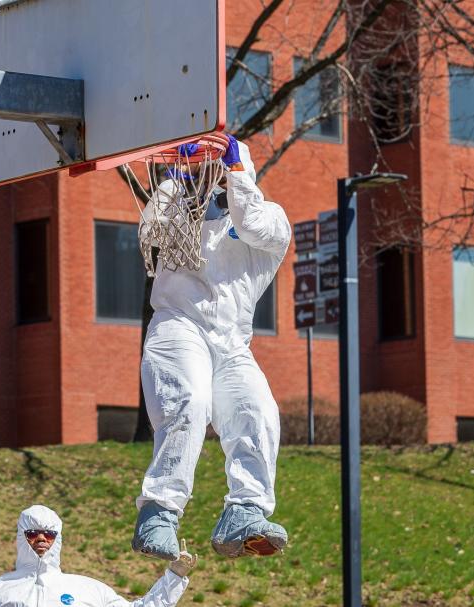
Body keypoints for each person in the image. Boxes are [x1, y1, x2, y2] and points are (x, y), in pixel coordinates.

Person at [132, 135, 291, 561]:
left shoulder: (271, 223)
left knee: (258, 410)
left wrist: (235, 169)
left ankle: (246, 511)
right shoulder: (178, 216)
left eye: (216, 171)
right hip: (179, 326)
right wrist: (175, 179)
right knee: (189, 401)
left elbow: (251, 218)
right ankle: (159, 512)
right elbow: (148, 229)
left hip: (232, 342)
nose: (212, 182)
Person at [0, 504, 197, 607]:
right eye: (32, 533)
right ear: (21, 537)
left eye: (48, 534)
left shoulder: (87, 591)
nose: (40, 539)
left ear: (57, 539)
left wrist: (174, 577)